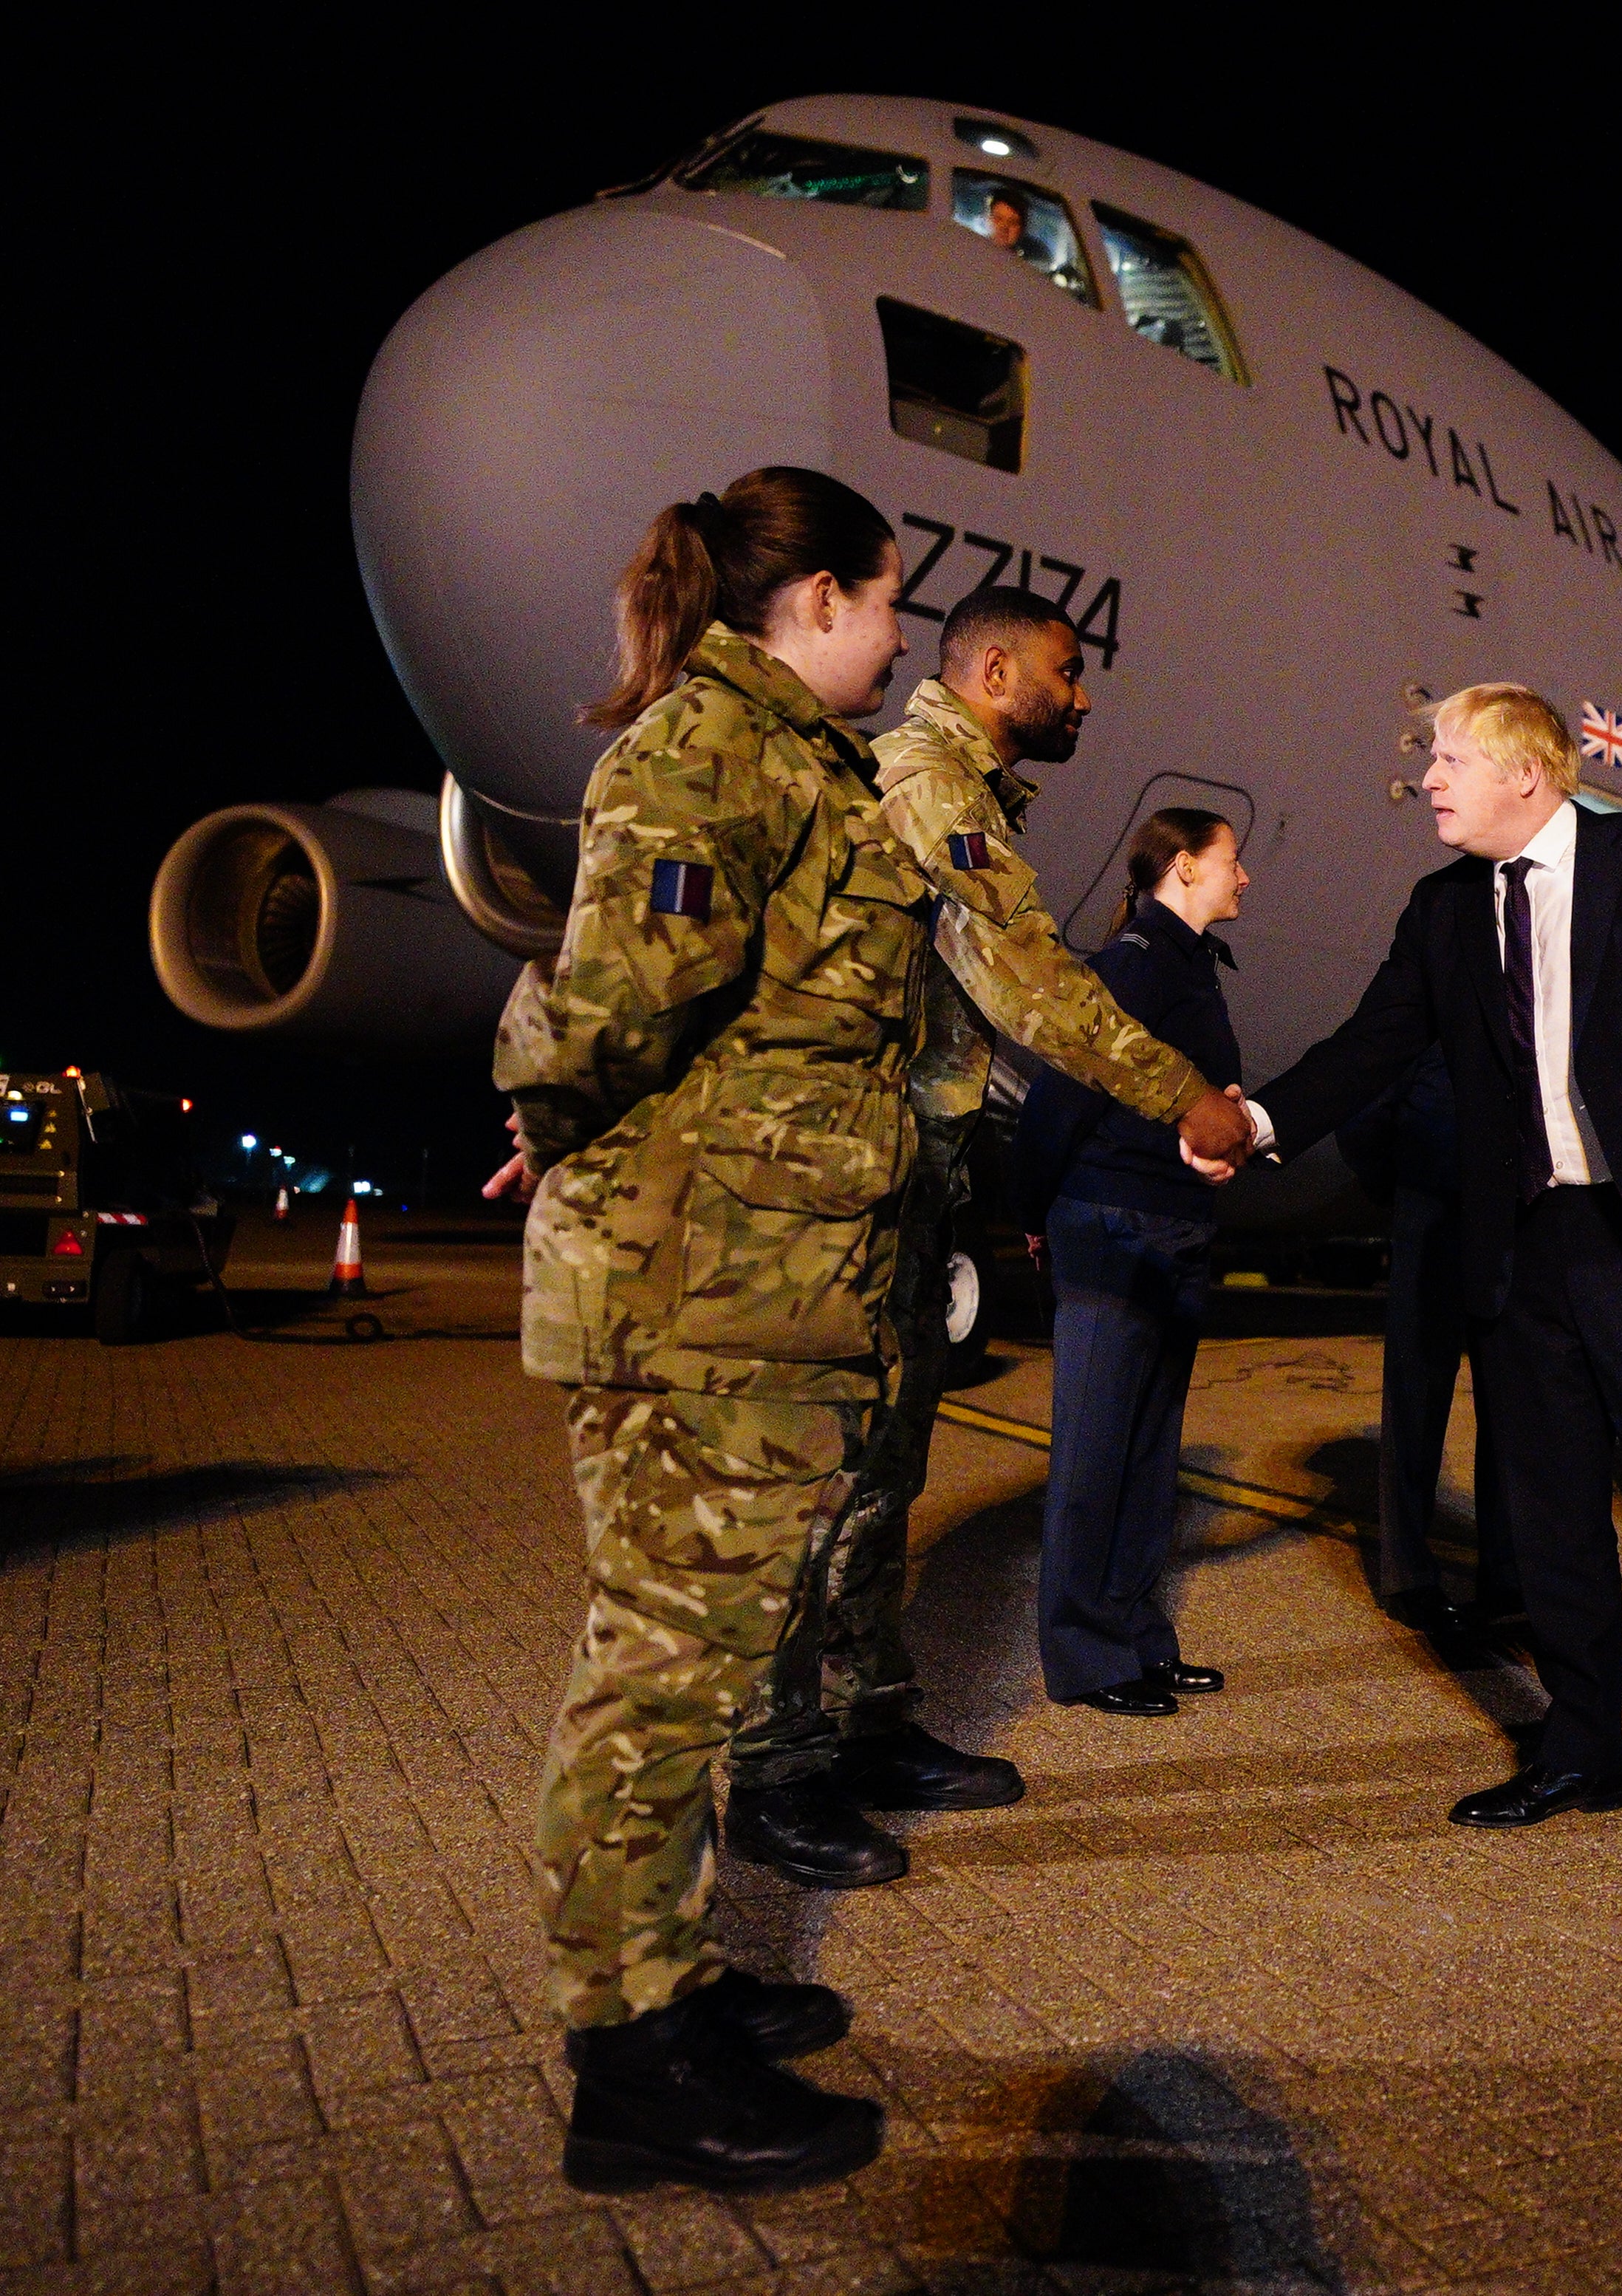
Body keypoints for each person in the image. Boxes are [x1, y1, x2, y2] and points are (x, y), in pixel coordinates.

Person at [480, 467, 915, 2193]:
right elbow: (609, 1007)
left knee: (699, 1667)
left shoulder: (783, 754)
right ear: (814, 600)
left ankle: (665, 1985)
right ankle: (630, 2068)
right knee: (659, 1683)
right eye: (888, 602)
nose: (896, 639)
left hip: (743, 1288)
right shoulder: (702, 749)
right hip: (688, 1298)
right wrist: (541, 1094)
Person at [720, 586, 1253, 1888]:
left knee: (885, 1469)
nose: (1082, 697)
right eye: (1067, 675)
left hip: (904, 1169)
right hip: (833, 1175)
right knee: (821, 1474)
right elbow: (1022, 969)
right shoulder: (922, 778)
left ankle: (865, 1724)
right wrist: (1181, 1091)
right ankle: (771, 1769)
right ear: (1000, 671)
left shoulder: (954, 786)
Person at [1239, 683, 1622, 1825]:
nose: (1430, 781)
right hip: (1521, 1244)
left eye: (1450, 759)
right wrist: (1257, 1125)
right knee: (1553, 1512)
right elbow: (1371, 1046)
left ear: (1526, 772)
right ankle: (1577, 1754)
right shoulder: (1444, 909)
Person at [1011, 810, 1251, 1714]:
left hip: (1173, 1229)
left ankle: (1138, 1637)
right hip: (1112, 1228)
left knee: (1148, 1456)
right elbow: (1059, 1098)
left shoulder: (1188, 968)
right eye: (1233, 861)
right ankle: (1085, 1657)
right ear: (1184, 867)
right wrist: (1030, 1211)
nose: (1245, 877)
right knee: (1093, 1450)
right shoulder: (1134, 967)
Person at [1341, 1048, 1525, 1636]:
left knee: (1498, 1399)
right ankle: (1419, 1576)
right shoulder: (1440, 977)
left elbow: (1366, 1110)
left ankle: (1488, 1571)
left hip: (1491, 1202)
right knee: (1425, 1393)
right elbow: (1365, 1103)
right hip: (1443, 1198)